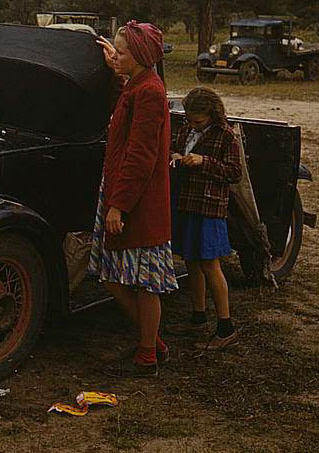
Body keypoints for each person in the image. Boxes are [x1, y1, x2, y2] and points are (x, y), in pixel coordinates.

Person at [88, 21, 177, 377]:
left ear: (139, 56)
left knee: (144, 282)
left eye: (122, 52)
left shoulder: (151, 93)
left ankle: (147, 354)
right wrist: (117, 67)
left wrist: (119, 204)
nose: (116, 56)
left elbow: (141, 156)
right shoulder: (141, 85)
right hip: (124, 192)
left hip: (138, 200)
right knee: (112, 274)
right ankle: (152, 342)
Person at [167, 87, 242, 349]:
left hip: (209, 207)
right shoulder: (186, 129)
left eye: (198, 120)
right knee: (191, 260)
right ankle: (198, 316)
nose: (192, 124)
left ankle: (225, 326)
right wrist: (175, 156)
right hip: (186, 202)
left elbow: (234, 173)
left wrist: (204, 162)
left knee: (210, 264)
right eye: (190, 119)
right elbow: (174, 147)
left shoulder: (225, 136)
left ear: (212, 114)